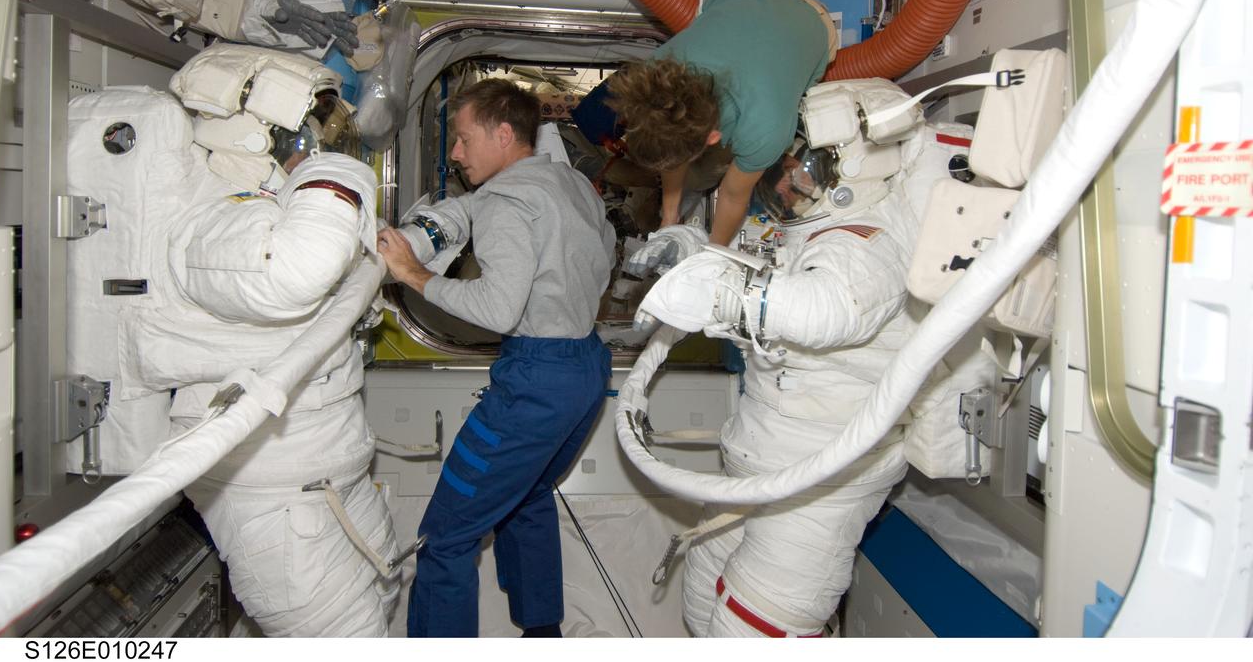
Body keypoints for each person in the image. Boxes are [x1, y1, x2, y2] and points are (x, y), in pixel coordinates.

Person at [64, 43, 401, 635]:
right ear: (251, 137)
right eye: (304, 143)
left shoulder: (260, 208)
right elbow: (295, 268)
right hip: (277, 494)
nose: (312, 156)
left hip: (328, 463)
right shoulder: (209, 223)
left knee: (391, 586)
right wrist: (341, 171)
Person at [629, 79, 967, 637]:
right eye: (785, 165)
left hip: (818, 481)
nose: (786, 181)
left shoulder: (868, 239)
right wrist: (689, 249)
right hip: (765, 465)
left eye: (805, 167)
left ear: (858, 167)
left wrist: (715, 296)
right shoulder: (812, 234)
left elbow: (827, 308)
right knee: (701, 602)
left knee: (750, 631)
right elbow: (753, 271)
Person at [376, 78, 617, 637]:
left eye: (462, 140)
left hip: (536, 381)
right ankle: (541, 635)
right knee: (527, 497)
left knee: (447, 537)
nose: (456, 153)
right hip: (585, 367)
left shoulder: (506, 202)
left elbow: (497, 308)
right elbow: (604, 257)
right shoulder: (572, 183)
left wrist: (414, 274)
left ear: (503, 135)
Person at [606, 0, 838, 248]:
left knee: (700, 178)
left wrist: (712, 257)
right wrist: (669, 220)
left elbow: (733, 196)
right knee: (694, 173)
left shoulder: (764, 127)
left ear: (713, 137)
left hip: (814, 21)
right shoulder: (658, 73)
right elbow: (669, 134)